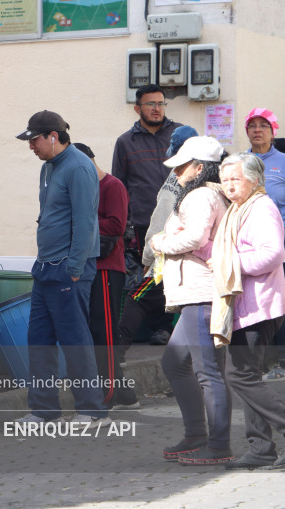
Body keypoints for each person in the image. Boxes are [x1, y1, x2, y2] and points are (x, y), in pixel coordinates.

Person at [15, 110, 110, 428]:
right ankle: (44, 409)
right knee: (38, 339)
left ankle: (91, 409)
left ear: (52, 136)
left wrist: (73, 268)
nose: (31, 147)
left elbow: (85, 222)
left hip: (70, 269)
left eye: (34, 140)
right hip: (45, 267)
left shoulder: (79, 167)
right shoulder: (48, 167)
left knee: (74, 340)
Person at [148, 136, 232, 465]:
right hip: (196, 293)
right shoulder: (206, 193)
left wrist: (160, 242)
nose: (177, 173)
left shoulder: (200, 196)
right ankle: (197, 434)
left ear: (199, 168)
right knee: (176, 363)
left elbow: (196, 237)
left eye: (182, 166)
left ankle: (219, 445)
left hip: (202, 293)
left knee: (207, 372)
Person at [211, 153, 285, 470]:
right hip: (246, 304)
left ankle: (269, 439)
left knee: (239, 375)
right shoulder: (239, 209)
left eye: (235, 178)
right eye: (225, 179)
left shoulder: (260, 208)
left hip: (259, 305)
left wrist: (231, 264)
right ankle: (260, 448)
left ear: (254, 179)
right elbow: (221, 250)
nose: (229, 185)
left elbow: (272, 254)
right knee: (247, 375)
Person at [115, 126, 198, 362]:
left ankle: (115, 355)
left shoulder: (178, 177)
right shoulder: (211, 172)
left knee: (137, 297)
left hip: (170, 256)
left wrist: (148, 257)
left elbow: (161, 218)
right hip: (199, 260)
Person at [112, 84, 183, 346]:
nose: (157, 108)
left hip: (180, 220)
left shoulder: (179, 135)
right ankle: (156, 327)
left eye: (161, 103)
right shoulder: (125, 142)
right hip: (144, 224)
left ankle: (164, 326)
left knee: (172, 274)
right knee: (153, 273)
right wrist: (126, 224)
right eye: (151, 104)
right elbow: (119, 185)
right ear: (138, 108)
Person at [73, 143, 139, 410]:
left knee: (104, 332)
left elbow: (116, 224)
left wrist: (78, 220)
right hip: (84, 267)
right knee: (91, 331)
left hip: (106, 268)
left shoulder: (112, 186)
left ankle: (107, 395)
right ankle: (124, 395)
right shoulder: (80, 188)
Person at [241, 109, 285, 381]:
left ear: (273, 131)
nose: (257, 130)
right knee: (255, 303)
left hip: (280, 246)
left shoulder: (282, 161)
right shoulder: (239, 163)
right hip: (249, 248)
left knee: (280, 304)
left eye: (263, 125)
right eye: (252, 126)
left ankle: (280, 360)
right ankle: (255, 362)